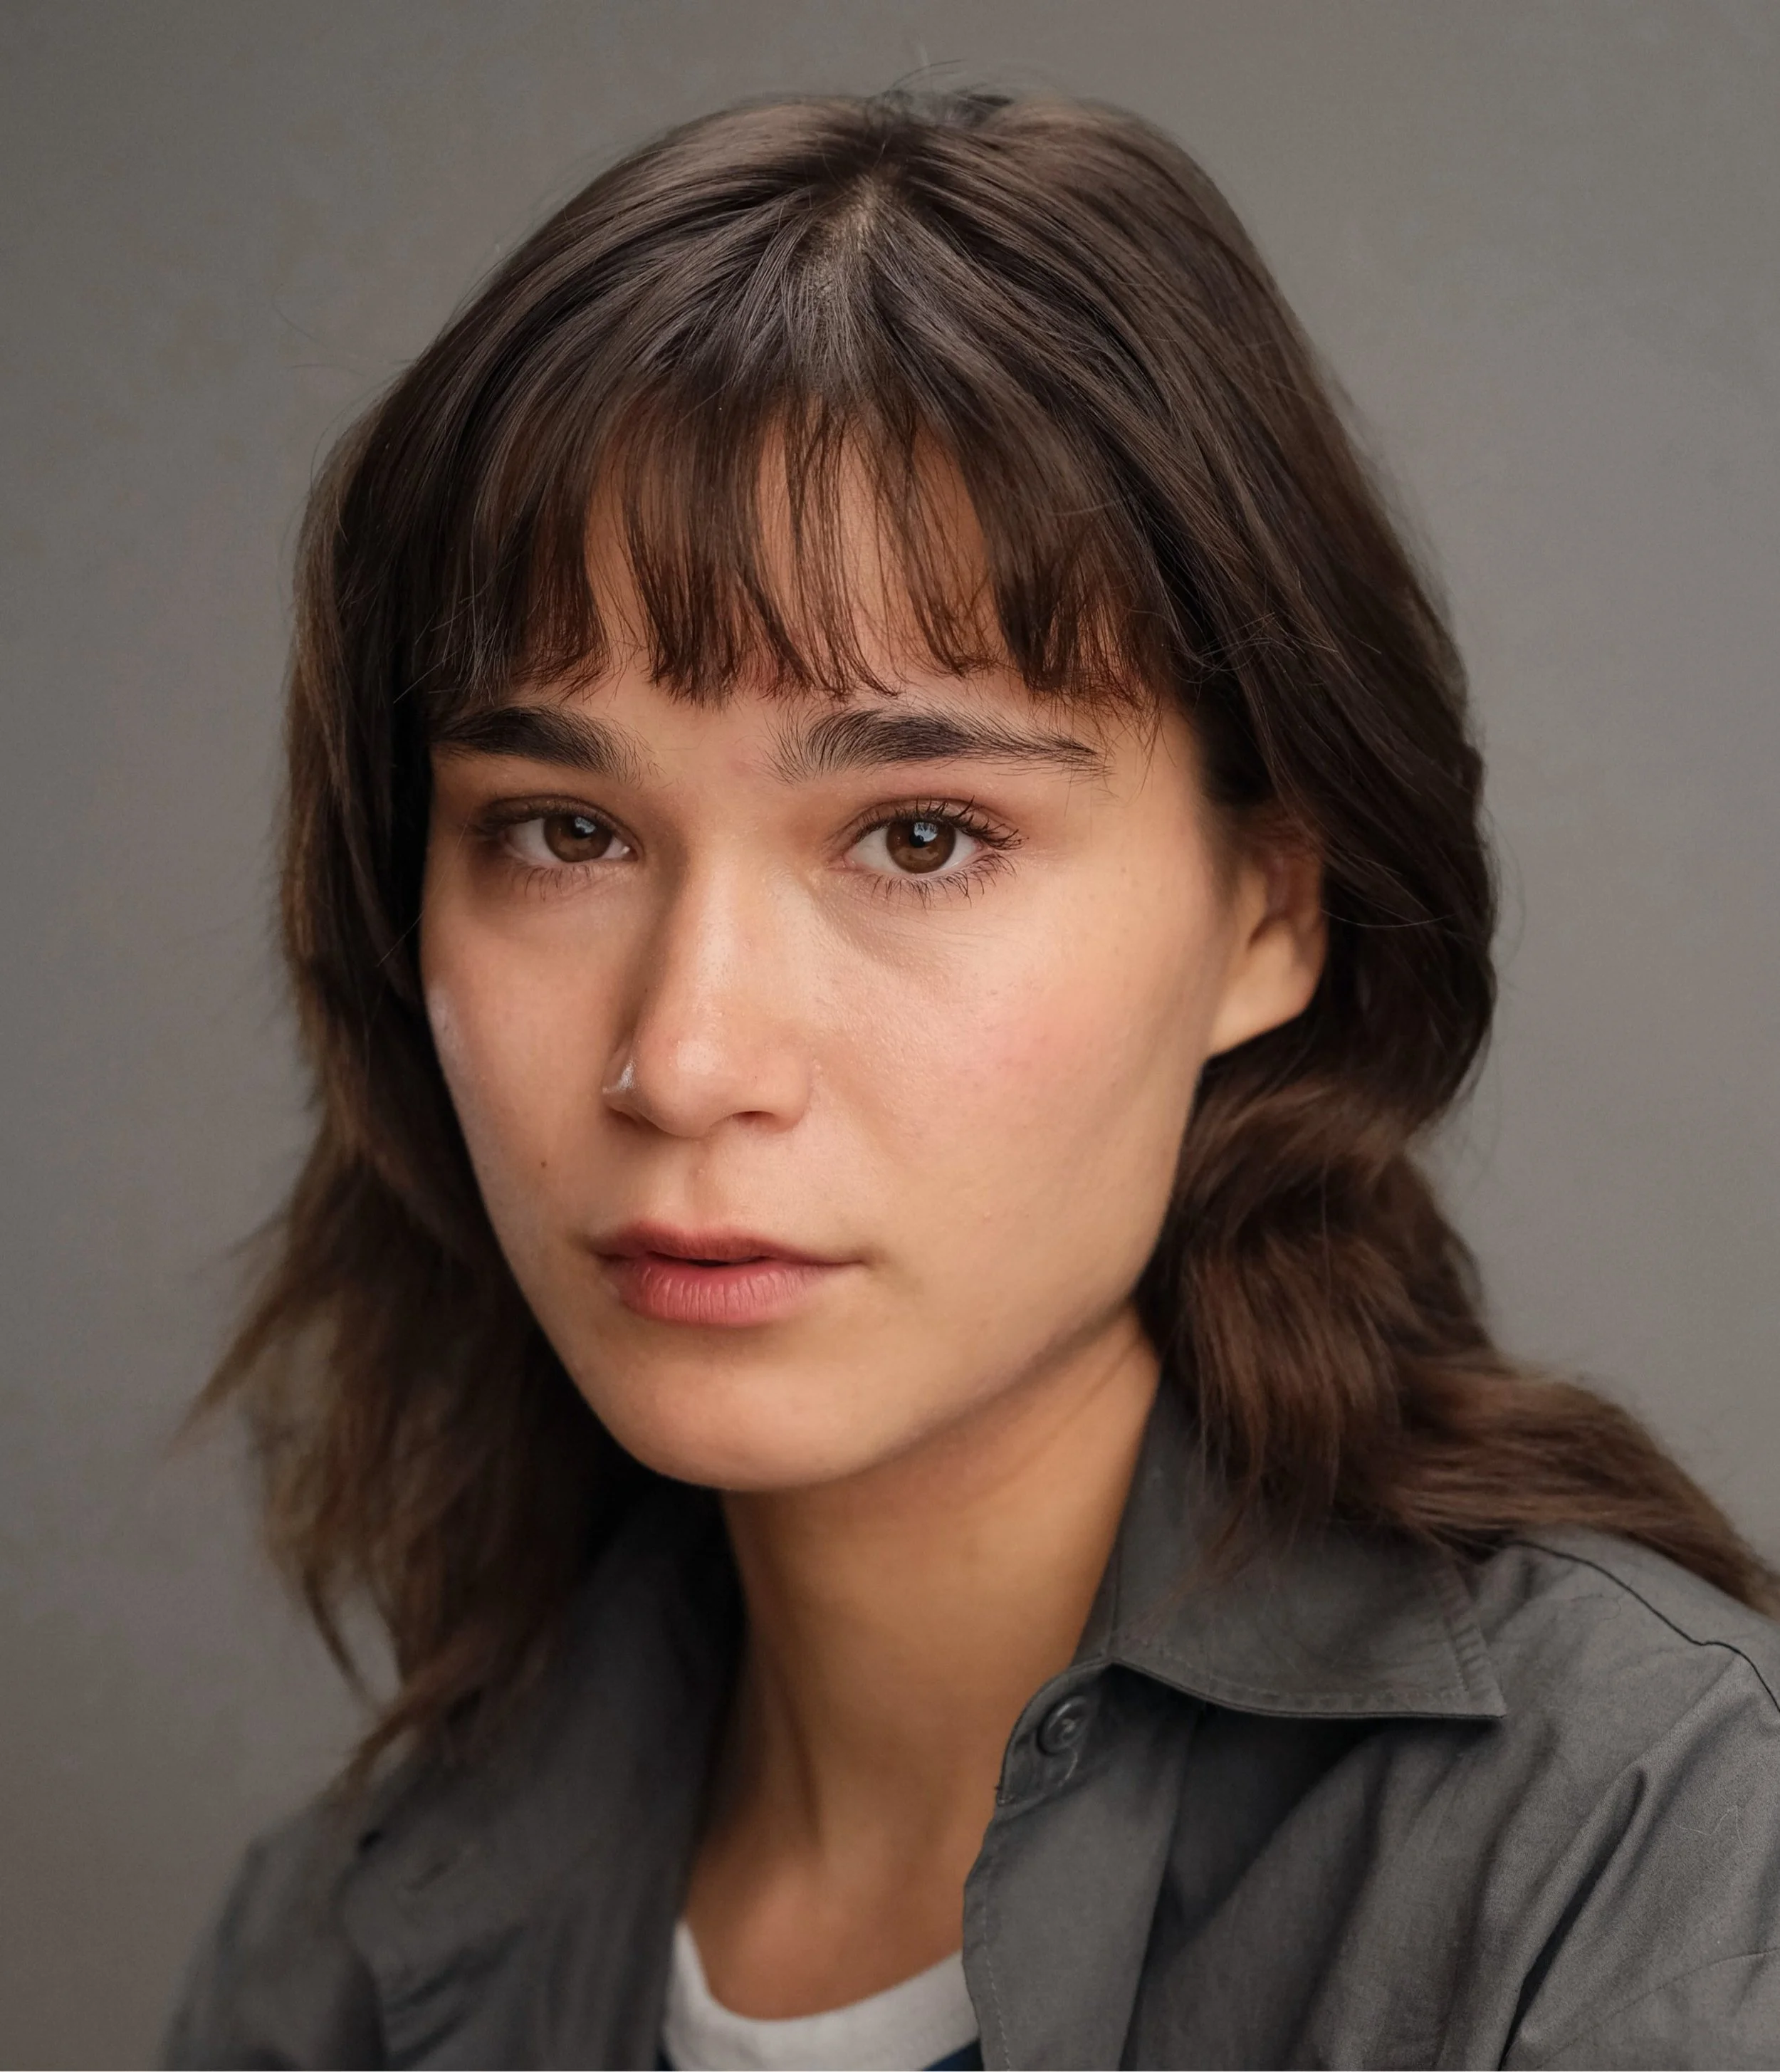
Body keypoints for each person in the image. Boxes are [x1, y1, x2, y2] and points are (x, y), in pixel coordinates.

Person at [165, 89, 1780, 2071]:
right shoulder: (339, 1947)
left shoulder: (1641, 1845)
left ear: (1274, 910)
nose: (683, 1057)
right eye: (561, 831)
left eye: (919, 835)